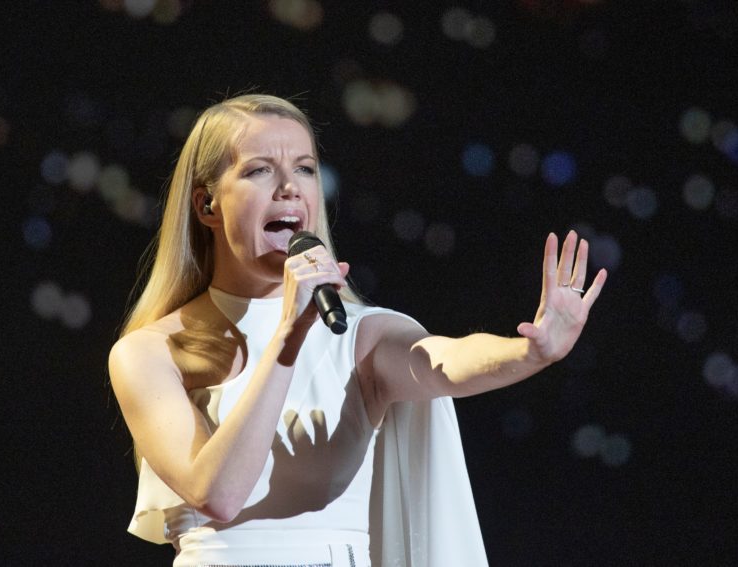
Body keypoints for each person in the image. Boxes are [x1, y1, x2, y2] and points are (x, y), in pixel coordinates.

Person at [109, 93, 607, 567]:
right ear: (206, 206)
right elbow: (216, 494)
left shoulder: (357, 335)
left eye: (304, 168)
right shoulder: (149, 353)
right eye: (260, 170)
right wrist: (287, 338)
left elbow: (446, 360)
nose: (290, 187)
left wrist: (528, 352)